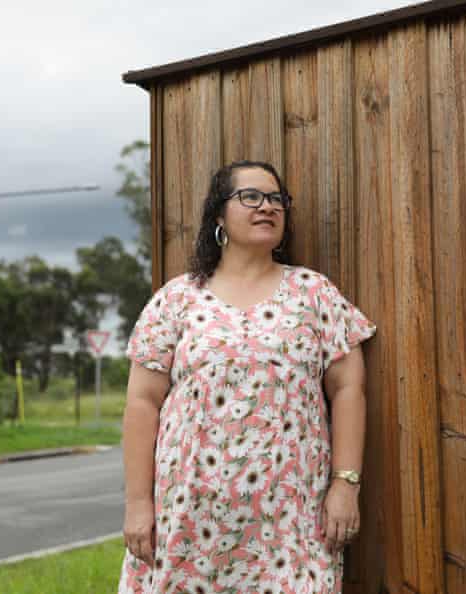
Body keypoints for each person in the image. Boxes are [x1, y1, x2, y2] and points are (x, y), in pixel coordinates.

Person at [117, 159, 377, 593]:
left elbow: (350, 389)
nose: (267, 207)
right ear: (219, 214)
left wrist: (345, 485)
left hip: (290, 520)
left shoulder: (314, 293)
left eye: (277, 199)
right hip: (188, 518)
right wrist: (138, 503)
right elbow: (142, 403)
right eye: (250, 197)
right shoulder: (177, 299)